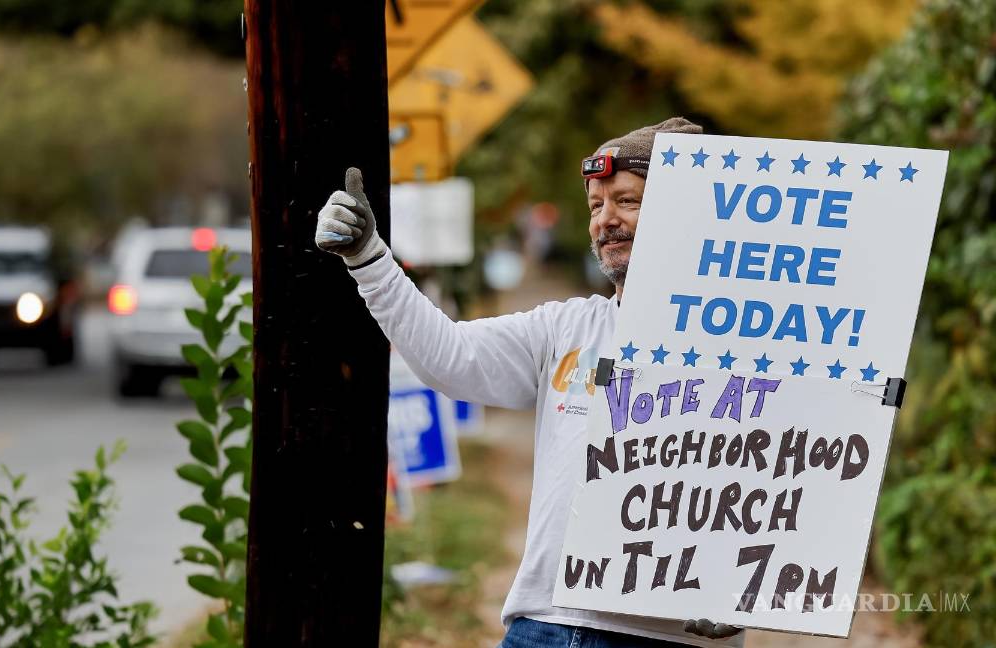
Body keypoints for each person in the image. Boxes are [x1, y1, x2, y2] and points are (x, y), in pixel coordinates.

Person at [315, 118, 743, 647]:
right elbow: (449, 357)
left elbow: (810, 482)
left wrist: (752, 588)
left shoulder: (760, 352)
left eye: (627, 201)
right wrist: (369, 258)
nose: (605, 220)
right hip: (544, 626)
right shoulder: (567, 328)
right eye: (595, 205)